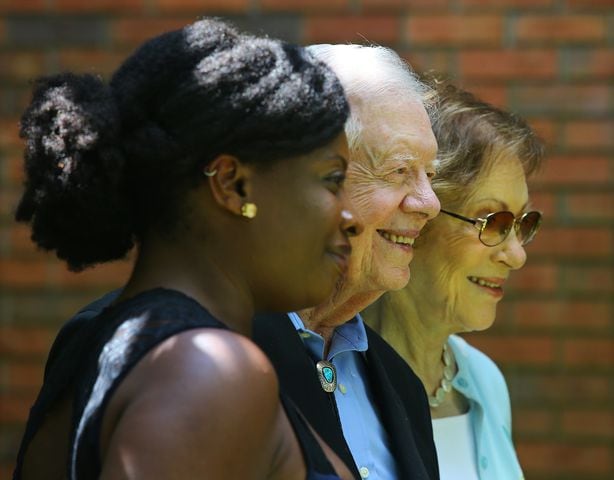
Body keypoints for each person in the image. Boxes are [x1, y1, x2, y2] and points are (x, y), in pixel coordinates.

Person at [27, 44, 443, 480]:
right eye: (329, 179)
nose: (344, 214)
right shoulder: (202, 365)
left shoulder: (160, 345)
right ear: (233, 185)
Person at [253, 45, 442, 480]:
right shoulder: (186, 346)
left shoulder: (400, 386)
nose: (430, 203)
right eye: (399, 170)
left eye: (429, 175)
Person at [362, 77, 545, 480]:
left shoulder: (482, 380)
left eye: (523, 223)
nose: (517, 255)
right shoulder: (336, 377)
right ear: (416, 219)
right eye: (493, 222)